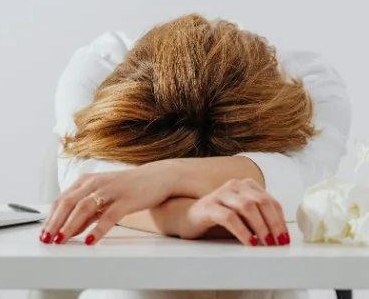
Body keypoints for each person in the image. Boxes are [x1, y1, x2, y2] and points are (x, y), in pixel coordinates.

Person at [40, 14, 351, 249]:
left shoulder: (311, 84)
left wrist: (165, 177)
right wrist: (185, 215)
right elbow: (93, 191)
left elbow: (304, 183)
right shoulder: (98, 66)